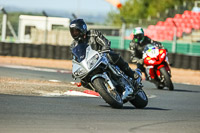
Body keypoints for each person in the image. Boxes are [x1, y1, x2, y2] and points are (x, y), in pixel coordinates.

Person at [69, 19, 140, 96]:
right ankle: (102, 90)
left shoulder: (93, 34)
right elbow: (75, 59)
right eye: (72, 31)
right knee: (83, 81)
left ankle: (130, 73)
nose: (74, 33)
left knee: (111, 56)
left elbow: (105, 42)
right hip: (90, 64)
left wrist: (105, 49)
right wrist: (75, 69)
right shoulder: (74, 45)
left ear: (82, 29)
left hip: (102, 56)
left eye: (76, 31)